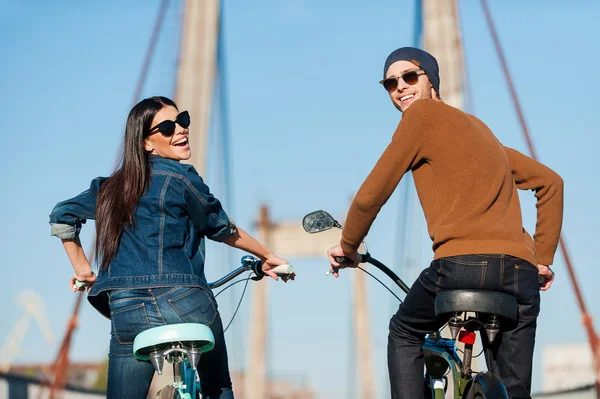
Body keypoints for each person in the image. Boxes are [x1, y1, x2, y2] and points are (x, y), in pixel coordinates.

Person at [327, 47, 563, 399]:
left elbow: (368, 197)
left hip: (461, 267)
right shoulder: (483, 132)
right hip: (521, 275)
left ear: (431, 79)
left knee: (404, 333)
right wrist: (542, 258)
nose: (400, 88)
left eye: (409, 76)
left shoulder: (420, 117)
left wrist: (347, 246)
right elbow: (551, 182)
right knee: (513, 391)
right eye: (390, 83)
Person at [49, 96, 294, 399]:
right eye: (167, 127)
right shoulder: (181, 178)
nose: (180, 130)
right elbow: (221, 227)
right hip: (185, 299)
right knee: (219, 386)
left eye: (184, 121)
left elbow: (62, 215)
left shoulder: (108, 187)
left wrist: (84, 271)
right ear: (146, 144)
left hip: (126, 308)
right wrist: (268, 256)